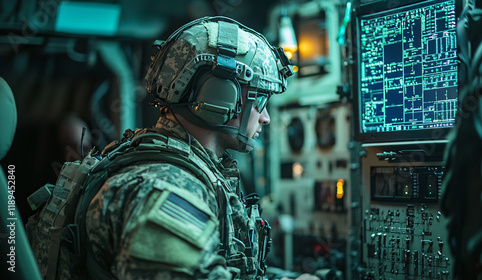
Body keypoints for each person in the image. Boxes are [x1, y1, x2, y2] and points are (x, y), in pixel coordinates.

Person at [83, 16, 319, 280]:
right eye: (260, 100)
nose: (266, 118)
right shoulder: (170, 188)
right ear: (219, 96)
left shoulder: (184, 168)